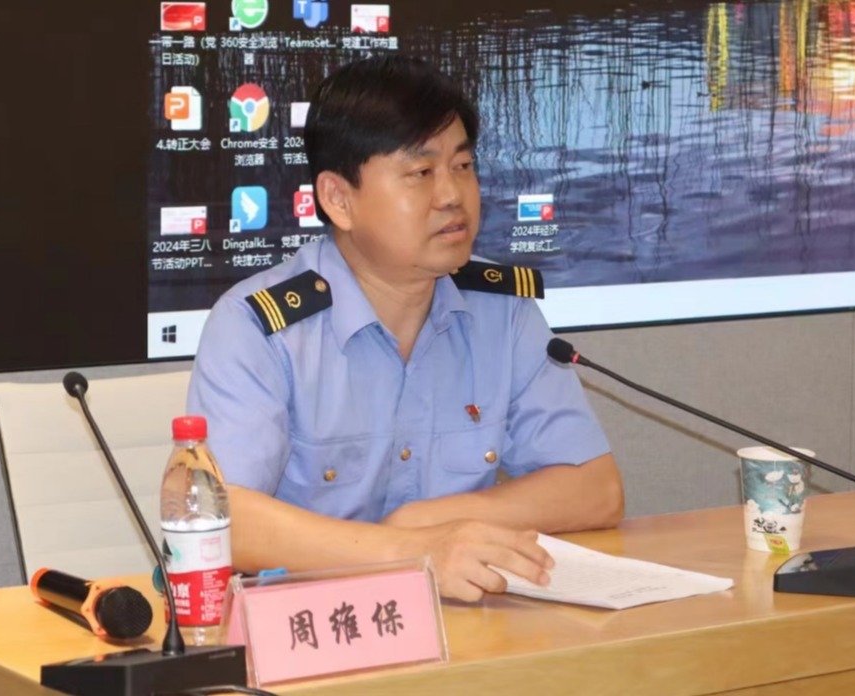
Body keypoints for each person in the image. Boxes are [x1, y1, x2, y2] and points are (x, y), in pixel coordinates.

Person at [187, 56, 623, 602]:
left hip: (464, 622)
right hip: (311, 625)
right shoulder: (258, 327)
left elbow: (595, 489)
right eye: (421, 173)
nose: (452, 195)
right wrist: (408, 551)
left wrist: (431, 520)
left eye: (463, 166)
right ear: (338, 199)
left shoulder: (503, 312)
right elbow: (222, 519)